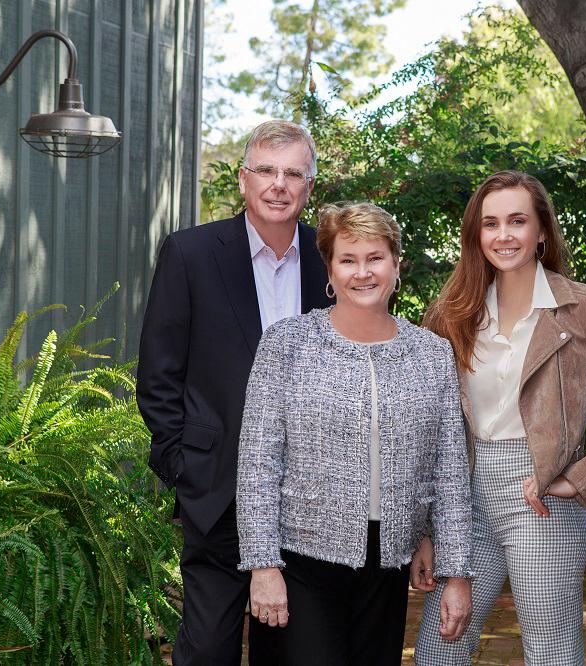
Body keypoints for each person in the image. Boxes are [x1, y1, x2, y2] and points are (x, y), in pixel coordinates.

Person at [414, 171, 586, 665]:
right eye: (490, 224)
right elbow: (429, 424)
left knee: (551, 652)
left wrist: (581, 477)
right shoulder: (452, 312)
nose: (503, 235)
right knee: (438, 650)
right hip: (462, 497)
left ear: (541, 232)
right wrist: (427, 526)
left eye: (517, 221)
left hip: (540, 502)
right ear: (476, 235)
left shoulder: (583, 306)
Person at [236, 202, 475, 665]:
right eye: (348, 259)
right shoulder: (287, 345)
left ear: (395, 264)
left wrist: (455, 572)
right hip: (298, 562)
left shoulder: (431, 354)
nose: (362, 272)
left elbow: (447, 470)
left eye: (375, 258)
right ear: (329, 268)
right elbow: (258, 464)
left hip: (387, 566)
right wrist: (263, 566)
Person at [136, 120, 331, 664]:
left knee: (291, 650)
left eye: (294, 173)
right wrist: (182, 465)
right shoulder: (190, 254)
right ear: (243, 181)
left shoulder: (330, 259)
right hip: (216, 489)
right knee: (206, 651)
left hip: (308, 499)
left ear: (309, 187)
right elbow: (158, 375)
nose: (279, 184)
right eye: (266, 170)